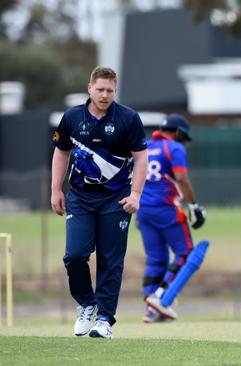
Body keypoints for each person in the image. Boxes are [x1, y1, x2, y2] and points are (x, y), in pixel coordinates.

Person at [51, 66, 148, 339]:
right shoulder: (71, 118)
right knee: (74, 256)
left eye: (110, 90)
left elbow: (141, 158)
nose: (105, 95)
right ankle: (87, 303)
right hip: (80, 199)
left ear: (115, 91)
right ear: (90, 88)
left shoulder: (128, 119)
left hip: (115, 201)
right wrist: (55, 190)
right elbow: (61, 153)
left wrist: (136, 194)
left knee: (110, 261)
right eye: (100, 89)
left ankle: (104, 319)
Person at [136, 114, 208, 323]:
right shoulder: (174, 148)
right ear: (177, 133)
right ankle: (160, 298)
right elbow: (181, 177)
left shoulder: (146, 146)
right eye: (183, 137)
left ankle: (151, 309)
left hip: (143, 209)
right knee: (186, 254)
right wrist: (193, 206)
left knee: (155, 259)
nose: (183, 141)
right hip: (166, 209)